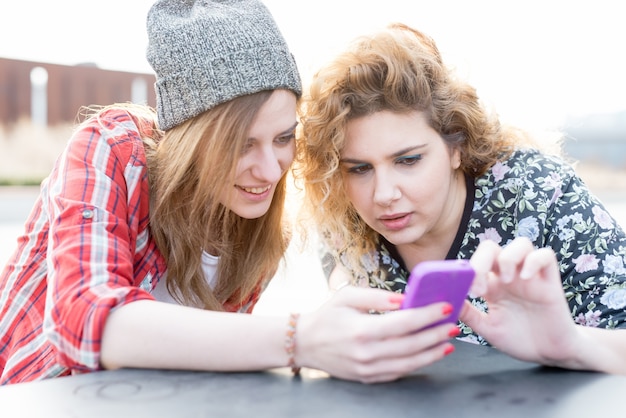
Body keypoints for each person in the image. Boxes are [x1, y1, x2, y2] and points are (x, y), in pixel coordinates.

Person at [0, 2, 460, 386]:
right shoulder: (113, 147)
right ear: (191, 139)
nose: (269, 170)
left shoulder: (253, 223)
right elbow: (83, 324)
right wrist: (302, 340)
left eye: (283, 138)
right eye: (241, 145)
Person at [298, 22, 626, 373]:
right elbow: (336, 263)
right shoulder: (344, 216)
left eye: (408, 160)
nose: (384, 195)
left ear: (456, 146)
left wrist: (568, 346)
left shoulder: (542, 195)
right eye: (359, 168)